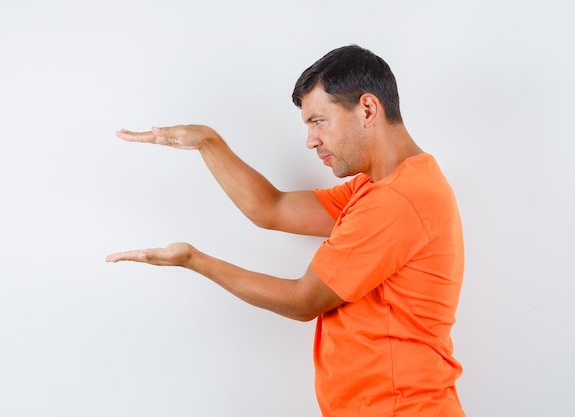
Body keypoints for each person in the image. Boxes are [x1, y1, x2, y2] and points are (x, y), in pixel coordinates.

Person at [106, 45, 466, 417]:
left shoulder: (397, 199)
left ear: (368, 109)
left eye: (318, 121)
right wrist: (208, 143)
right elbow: (271, 209)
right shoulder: (377, 188)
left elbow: (302, 300)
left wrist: (194, 261)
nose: (311, 141)